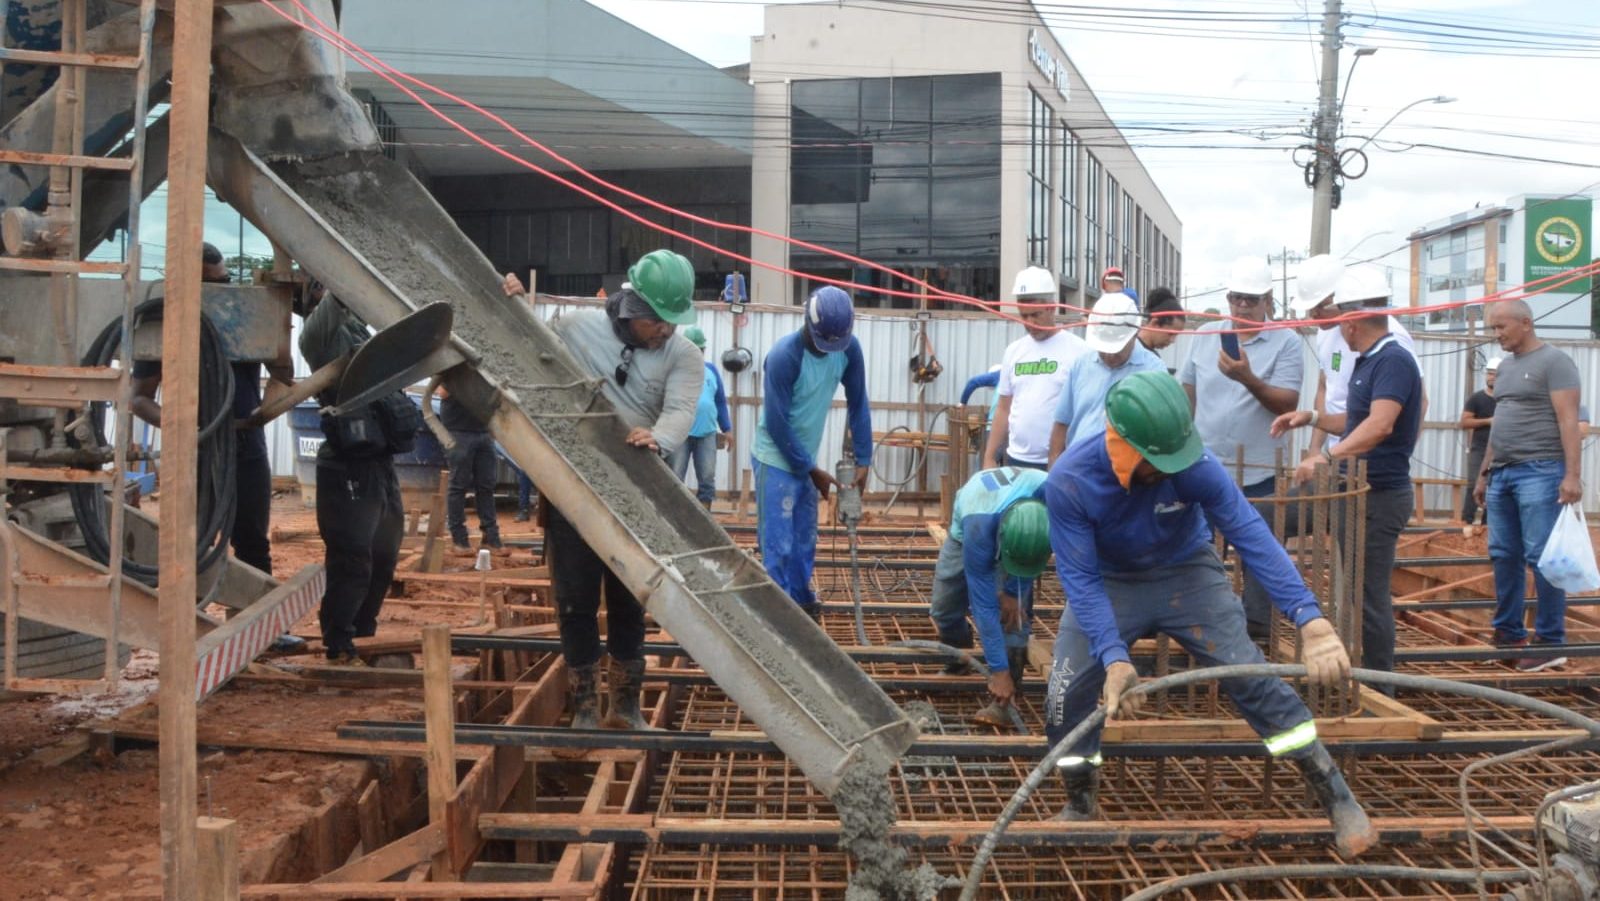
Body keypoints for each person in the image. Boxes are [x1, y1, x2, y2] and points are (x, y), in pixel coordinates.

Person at [1043, 372, 1373, 857]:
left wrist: (1309, 617)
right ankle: (1081, 800)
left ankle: (1335, 794)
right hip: (1110, 583)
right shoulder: (1070, 482)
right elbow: (1081, 580)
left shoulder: (1193, 463)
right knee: (1063, 693)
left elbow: (1250, 534)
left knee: (1250, 675)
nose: (1169, 469)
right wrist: (1114, 658)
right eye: (1157, 463)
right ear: (1119, 442)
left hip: (1187, 573)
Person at [503, 248, 703, 726]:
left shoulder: (684, 355)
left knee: (630, 597)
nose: (668, 329)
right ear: (633, 310)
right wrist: (511, 307)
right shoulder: (576, 328)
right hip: (574, 487)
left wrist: (660, 436)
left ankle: (627, 705)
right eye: (659, 321)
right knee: (575, 599)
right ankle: (586, 705)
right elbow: (531, 351)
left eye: (674, 320)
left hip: (636, 494)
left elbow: (678, 411)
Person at [130, 243, 304, 652]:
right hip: (194, 450)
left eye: (227, 281)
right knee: (192, 543)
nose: (224, 289)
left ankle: (260, 630)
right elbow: (137, 398)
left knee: (252, 541)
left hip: (245, 445)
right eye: (215, 284)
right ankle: (189, 635)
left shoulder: (244, 318)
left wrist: (263, 412)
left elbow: (282, 373)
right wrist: (186, 425)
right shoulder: (165, 323)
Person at [1271, 265, 1424, 676]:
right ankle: (1257, 622)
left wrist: (1329, 456)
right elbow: (1357, 421)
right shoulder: (1367, 361)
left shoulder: (1394, 358)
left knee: (1366, 595)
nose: (1337, 331)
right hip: (1350, 487)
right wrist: (1311, 417)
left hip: (1377, 495)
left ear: (1353, 321)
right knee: (1270, 518)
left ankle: (1380, 681)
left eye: (1340, 323)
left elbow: (1381, 425)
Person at [299, 287, 409, 666]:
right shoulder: (316, 336)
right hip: (347, 465)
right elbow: (345, 286)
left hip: (379, 462)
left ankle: (363, 635)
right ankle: (340, 641)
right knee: (352, 560)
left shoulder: (355, 329)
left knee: (384, 555)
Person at [1473, 299, 1582, 672]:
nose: (1497, 334)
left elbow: (1569, 421)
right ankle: (1509, 635)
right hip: (1503, 473)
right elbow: (1501, 419)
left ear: (1526, 323)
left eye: (1501, 327)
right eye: (1493, 328)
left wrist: (1572, 475)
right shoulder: (1504, 368)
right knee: (1504, 554)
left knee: (1541, 557)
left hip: (1540, 470)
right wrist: (1484, 473)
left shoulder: (1555, 362)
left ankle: (1551, 640)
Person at [752, 286, 872, 619]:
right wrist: (810, 469)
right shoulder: (784, 357)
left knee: (805, 538)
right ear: (808, 322)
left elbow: (858, 402)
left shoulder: (848, 349)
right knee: (778, 545)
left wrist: (865, 459)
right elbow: (776, 424)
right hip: (775, 459)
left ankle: (801, 602)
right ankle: (776, 615)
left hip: (804, 459)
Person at [930, 467, 1051, 725]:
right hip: (967, 533)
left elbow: (1034, 554)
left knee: (1013, 616)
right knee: (944, 608)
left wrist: (1014, 588)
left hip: (1017, 528)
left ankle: (1007, 699)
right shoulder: (979, 530)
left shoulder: (1053, 492)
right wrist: (997, 669)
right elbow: (982, 605)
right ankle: (960, 658)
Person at [1178, 256, 1302, 495]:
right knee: (1203, 533)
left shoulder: (1287, 341)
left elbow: (1287, 405)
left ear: (1267, 299)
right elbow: (1188, 397)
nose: (1243, 305)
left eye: (1252, 299)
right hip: (1205, 466)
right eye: (1237, 297)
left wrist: (1248, 379)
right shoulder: (1205, 335)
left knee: (1254, 531)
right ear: (1228, 298)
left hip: (1259, 476)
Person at [1289, 254, 1419, 457]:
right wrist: (1316, 448)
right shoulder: (1326, 333)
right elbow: (1326, 388)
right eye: (1309, 308)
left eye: (1319, 306)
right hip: (1340, 451)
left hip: (1370, 458)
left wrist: (1397, 456)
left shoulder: (1391, 341)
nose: (1313, 314)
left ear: (1339, 299)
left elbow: (1412, 406)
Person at [983, 267, 1089, 471]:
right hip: (1016, 460)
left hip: (1061, 461)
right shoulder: (1014, 351)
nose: (1029, 323)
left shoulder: (1079, 351)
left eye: (1035, 315)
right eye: (1024, 316)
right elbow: (1003, 408)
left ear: (1051, 308)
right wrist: (989, 456)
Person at [1047, 292, 1165, 465]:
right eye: (1103, 349)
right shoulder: (1081, 365)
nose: (1109, 356)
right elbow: (1061, 423)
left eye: (1116, 349)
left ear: (1135, 333)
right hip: (1078, 470)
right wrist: (1054, 470)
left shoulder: (1154, 372)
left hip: (1127, 476)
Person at [669, 326, 731, 508]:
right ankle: (674, 517)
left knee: (707, 479)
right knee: (675, 477)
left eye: (700, 350)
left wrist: (727, 429)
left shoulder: (711, 370)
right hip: (680, 433)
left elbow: (719, 401)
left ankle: (705, 519)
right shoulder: (674, 369)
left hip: (707, 434)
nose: (698, 353)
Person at [440, 389, 506, 556]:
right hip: (458, 431)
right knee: (458, 486)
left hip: (483, 431)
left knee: (486, 486)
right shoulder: (450, 366)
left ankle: (491, 538)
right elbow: (443, 392)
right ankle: (459, 540)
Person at [1459, 357, 1499, 528]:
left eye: (1495, 374)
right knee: (1474, 483)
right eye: (1489, 373)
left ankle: (1486, 525)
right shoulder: (1476, 398)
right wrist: (1487, 421)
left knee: (1495, 487)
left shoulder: (1506, 399)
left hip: (1500, 450)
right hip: (1479, 448)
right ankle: (1466, 521)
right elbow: (1464, 422)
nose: (1492, 377)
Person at [1138, 286, 1185, 353]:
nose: (1173, 341)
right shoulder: (1130, 352)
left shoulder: (1149, 355)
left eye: (1176, 335)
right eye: (1170, 334)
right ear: (1155, 323)